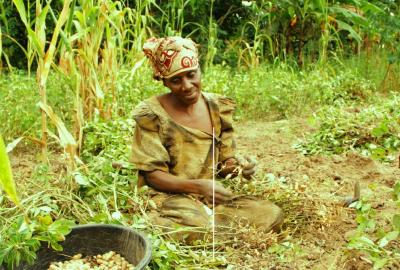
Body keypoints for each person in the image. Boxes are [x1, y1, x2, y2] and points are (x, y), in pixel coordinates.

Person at [130, 36, 283, 243]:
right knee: (194, 225)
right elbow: (153, 176)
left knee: (270, 213)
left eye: (191, 75)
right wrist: (198, 187)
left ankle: (210, 228)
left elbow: (224, 163)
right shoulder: (152, 115)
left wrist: (239, 167)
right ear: (164, 81)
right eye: (176, 80)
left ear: (199, 70)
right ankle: (209, 229)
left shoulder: (217, 107)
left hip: (209, 198)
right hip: (170, 197)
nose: (187, 85)